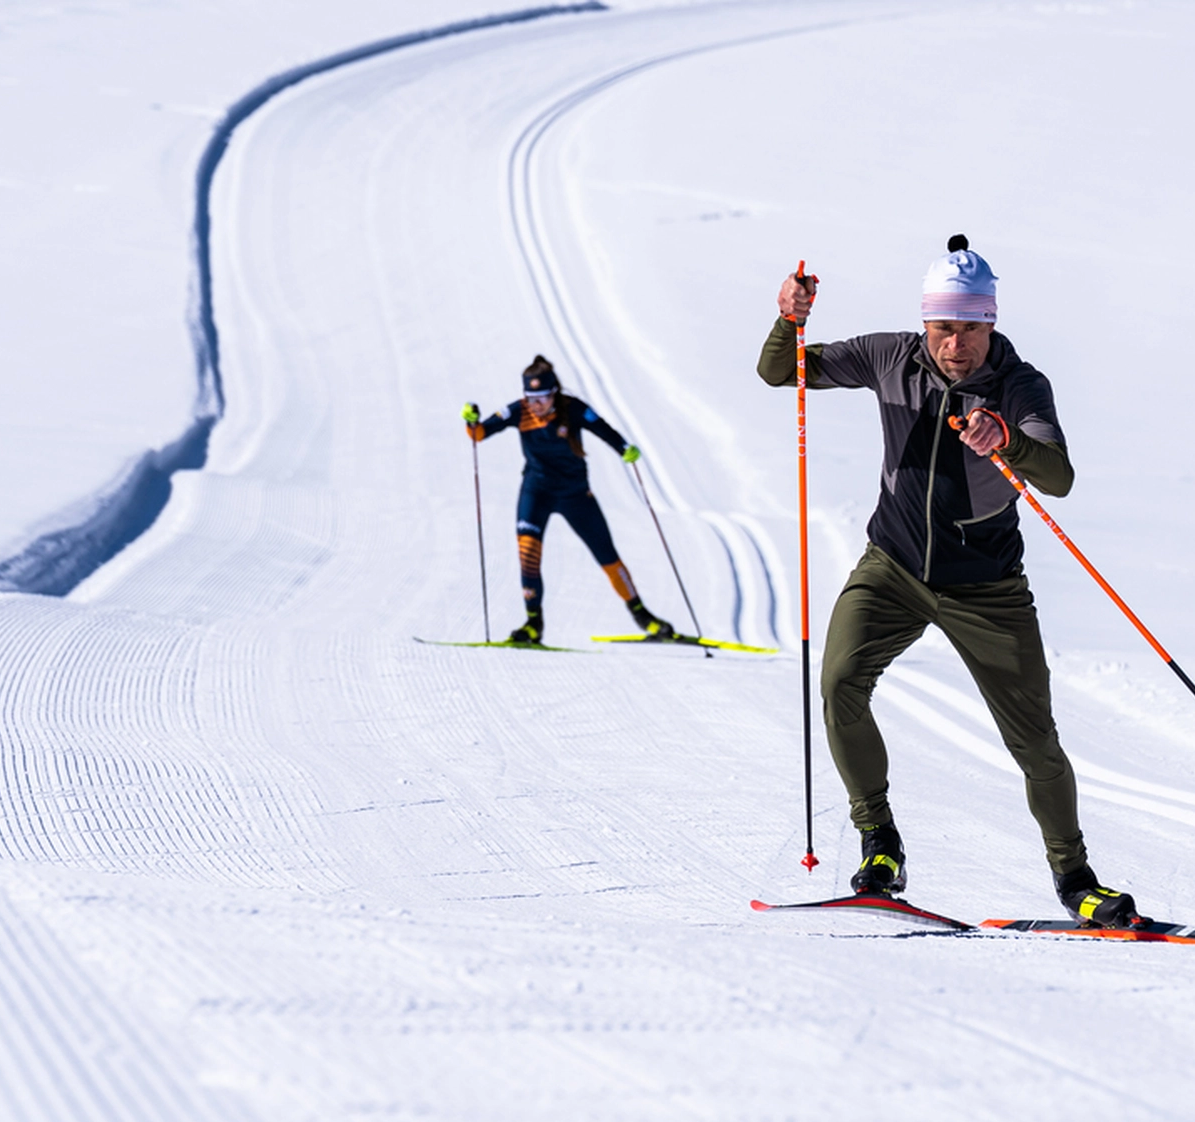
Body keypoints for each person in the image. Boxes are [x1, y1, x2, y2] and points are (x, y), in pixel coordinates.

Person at [755, 236, 1138, 927]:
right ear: (926, 322)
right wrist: (789, 320)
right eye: (942, 329)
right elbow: (782, 374)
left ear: (990, 323)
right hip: (893, 567)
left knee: (1035, 742)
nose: (954, 345)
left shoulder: (1020, 385)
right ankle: (880, 844)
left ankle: (1075, 877)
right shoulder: (889, 355)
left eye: (968, 329)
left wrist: (1008, 442)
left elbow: (1059, 477)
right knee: (840, 680)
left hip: (986, 586)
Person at [463, 356, 674, 645]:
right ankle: (533, 624)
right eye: (530, 397)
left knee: (607, 555)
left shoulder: (572, 409)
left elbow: (603, 429)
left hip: (575, 494)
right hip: (536, 492)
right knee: (527, 555)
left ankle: (643, 616)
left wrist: (625, 449)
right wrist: (470, 420)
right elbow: (479, 434)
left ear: (554, 394)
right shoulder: (519, 411)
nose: (536, 405)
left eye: (542, 397)